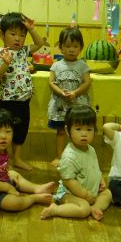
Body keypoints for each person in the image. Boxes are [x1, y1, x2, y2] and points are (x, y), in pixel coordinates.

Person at [0, 109, 54, 211]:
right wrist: (8, 188)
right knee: (14, 203)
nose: (3, 136)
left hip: (0, 181)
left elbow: (3, 165)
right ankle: (33, 198)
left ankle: (36, 188)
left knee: (15, 174)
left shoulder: (0, 148)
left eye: (8, 131)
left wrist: (8, 173)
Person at [0, 12, 44, 171]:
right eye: (13, 34)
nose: (18, 39)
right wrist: (5, 64)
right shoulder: (0, 54)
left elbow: (39, 43)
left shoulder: (23, 51)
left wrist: (32, 29)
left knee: (21, 131)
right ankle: (2, 160)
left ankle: (18, 159)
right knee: (4, 130)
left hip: (24, 101)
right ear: (2, 35)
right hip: (7, 102)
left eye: (22, 35)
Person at [40, 106, 112, 220]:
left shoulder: (91, 149)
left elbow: (94, 168)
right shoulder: (69, 156)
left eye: (89, 129)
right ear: (67, 131)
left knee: (107, 194)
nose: (84, 134)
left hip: (91, 191)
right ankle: (55, 209)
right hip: (70, 193)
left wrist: (100, 180)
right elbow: (69, 181)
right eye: (78, 129)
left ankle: (95, 208)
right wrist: (85, 195)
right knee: (84, 209)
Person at [47, 27, 91, 167]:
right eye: (67, 46)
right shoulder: (56, 65)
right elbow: (51, 82)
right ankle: (59, 157)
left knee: (78, 131)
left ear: (81, 47)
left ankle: (78, 157)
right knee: (61, 131)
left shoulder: (83, 65)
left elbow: (87, 82)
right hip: (61, 105)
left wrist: (75, 93)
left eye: (75, 46)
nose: (71, 50)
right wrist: (60, 92)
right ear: (60, 47)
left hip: (77, 105)